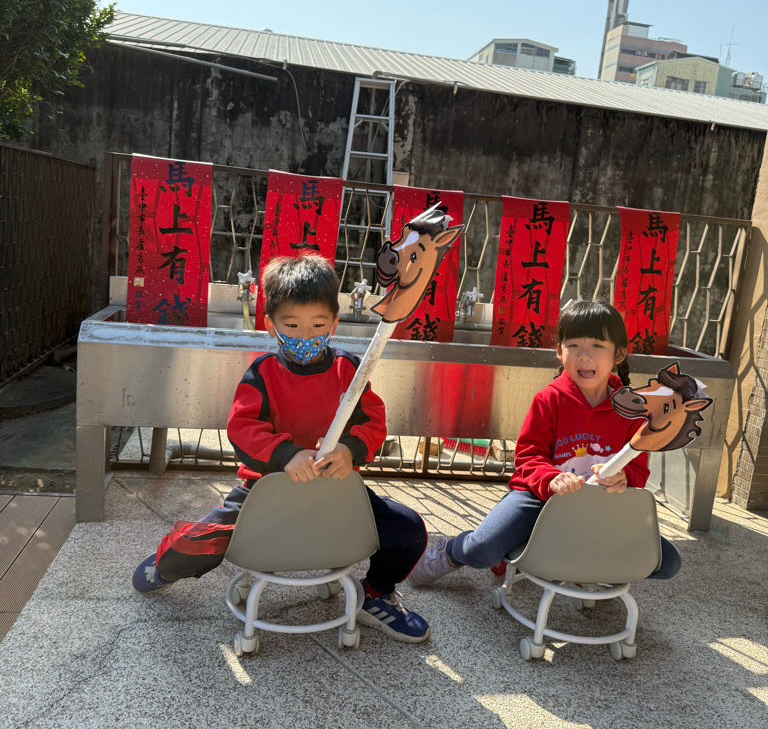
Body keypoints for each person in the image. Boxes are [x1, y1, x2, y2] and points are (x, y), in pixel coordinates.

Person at [132, 254, 431, 644]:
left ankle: (375, 594)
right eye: (292, 325)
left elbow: (373, 421)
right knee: (196, 545)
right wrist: (286, 454)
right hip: (264, 490)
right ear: (271, 325)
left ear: (334, 323)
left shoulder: (349, 371)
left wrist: (349, 450)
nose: (306, 335)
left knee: (409, 529)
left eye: (318, 325)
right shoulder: (263, 373)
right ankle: (167, 563)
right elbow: (242, 428)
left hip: (334, 492)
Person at [410, 299, 682, 586]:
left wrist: (623, 478)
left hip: (600, 505)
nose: (584, 356)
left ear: (619, 354)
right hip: (538, 498)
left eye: (597, 345)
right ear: (559, 351)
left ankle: (553, 551)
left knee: (666, 562)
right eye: (573, 345)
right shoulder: (548, 399)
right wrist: (552, 478)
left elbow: (638, 469)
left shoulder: (632, 409)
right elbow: (528, 457)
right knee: (482, 551)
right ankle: (451, 551)